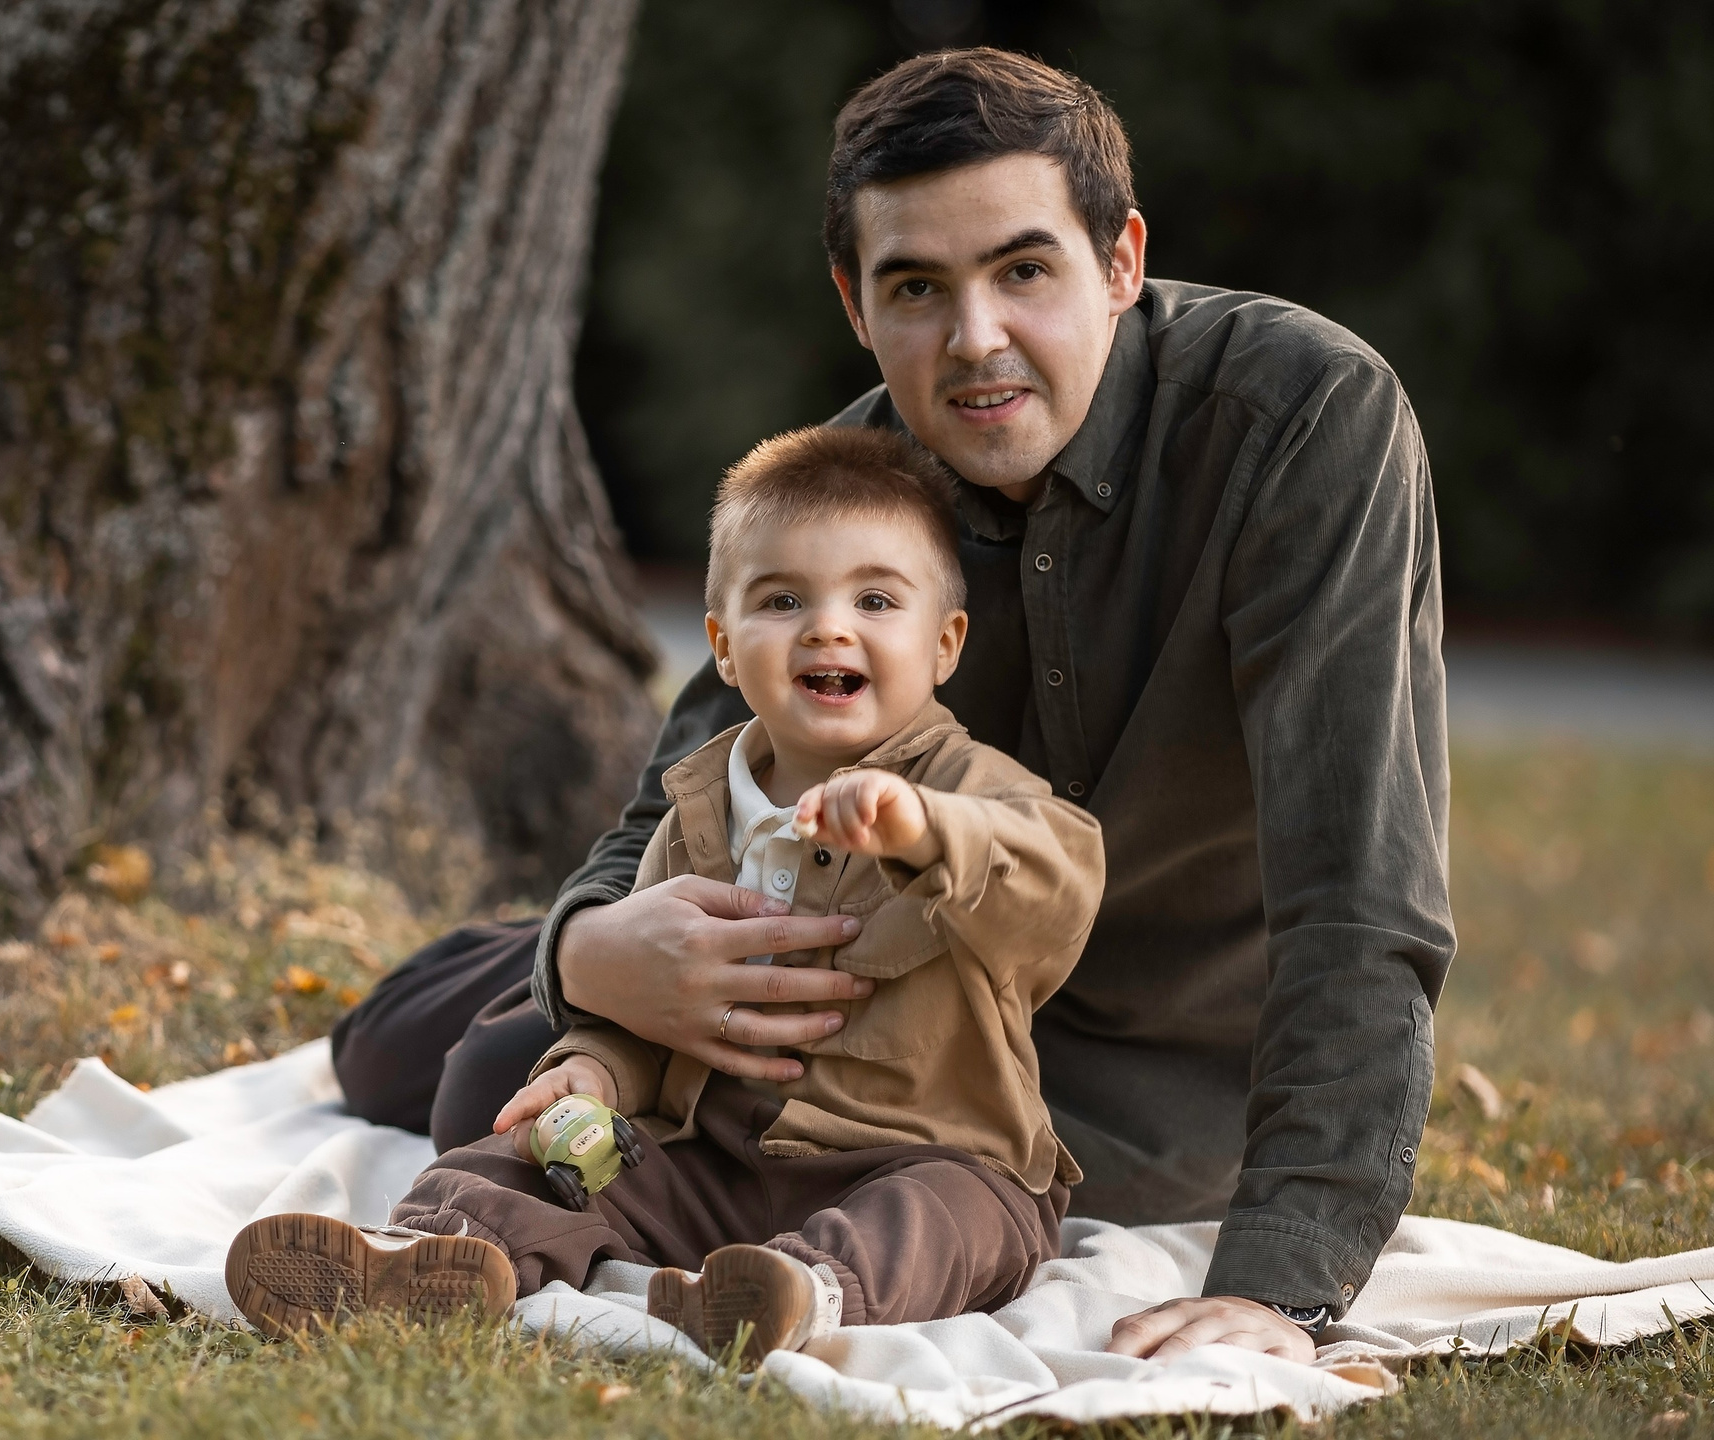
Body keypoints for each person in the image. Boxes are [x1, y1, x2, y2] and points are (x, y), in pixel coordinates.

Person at [329, 47, 1451, 1362]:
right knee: (447, 1062)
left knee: (498, 1074)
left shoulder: (1301, 422)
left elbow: (1358, 891)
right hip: (853, 975)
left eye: (1023, 271)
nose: (975, 340)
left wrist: (1284, 1283)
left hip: (1127, 1077)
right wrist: (586, 952)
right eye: (917, 287)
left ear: (1121, 261)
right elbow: (682, 787)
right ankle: (485, 976)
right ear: (855, 303)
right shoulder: (861, 475)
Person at [228, 426, 1104, 1364]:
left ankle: (801, 1294)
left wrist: (930, 830)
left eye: (876, 600)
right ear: (723, 647)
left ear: (945, 644)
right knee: (540, 1153)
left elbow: (1059, 884)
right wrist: (594, 1069)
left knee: (944, 1216)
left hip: (919, 1152)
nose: (828, 628)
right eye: (782, 601)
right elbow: (647, 1009)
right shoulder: (700, 808)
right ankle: (431, 1254)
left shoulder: (974, 791)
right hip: (711, 1155)